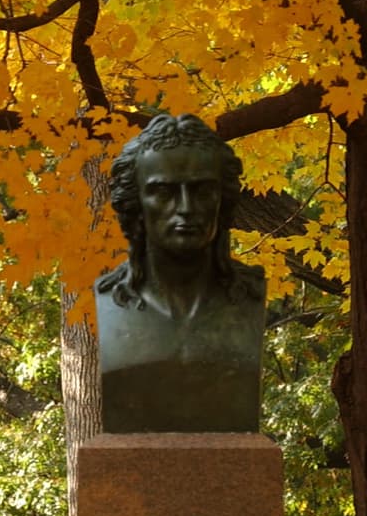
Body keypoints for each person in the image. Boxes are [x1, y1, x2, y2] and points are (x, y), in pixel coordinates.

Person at [95, 114, 266, 432]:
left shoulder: (249, 298)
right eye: (164, 192)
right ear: (136, 205)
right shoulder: (110, 302)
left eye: (202, 192)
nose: (186, 208)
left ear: (222, 200)